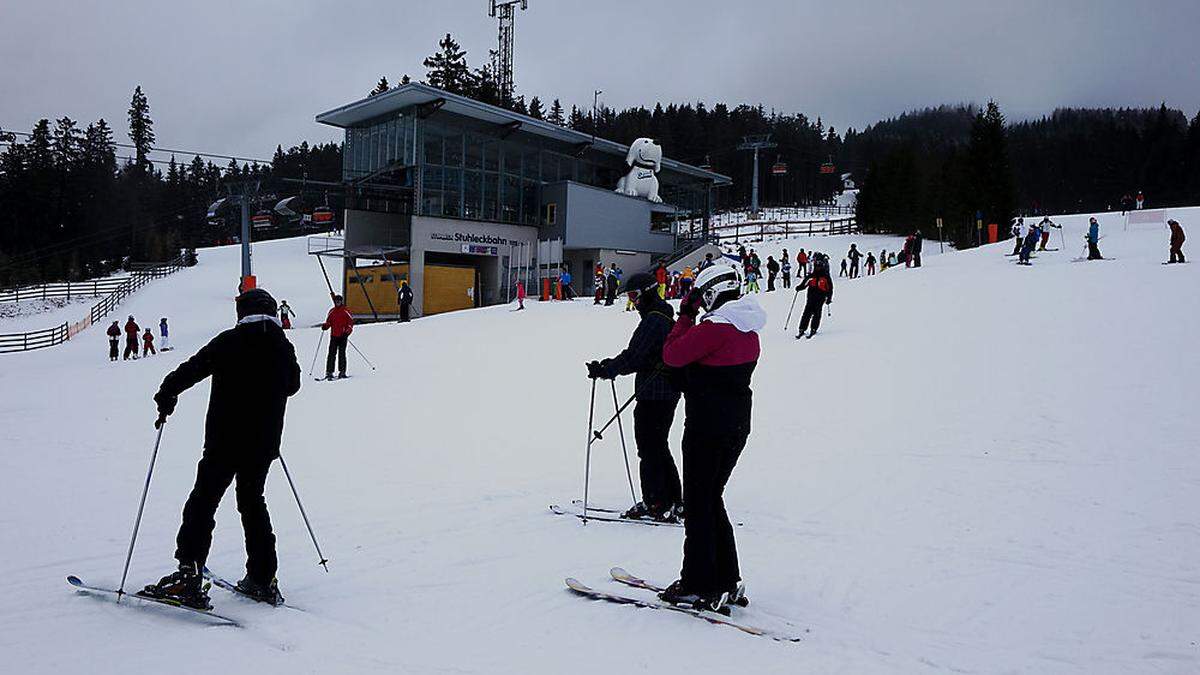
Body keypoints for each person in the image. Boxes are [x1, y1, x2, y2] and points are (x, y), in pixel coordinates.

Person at [140, 288, 300, 609]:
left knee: (203, 502)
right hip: (262, 444)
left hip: (224, 440)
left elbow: (193, 368)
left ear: (243, 313)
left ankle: (189, 574)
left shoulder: (229, 341)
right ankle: (262, 578)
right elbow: (292, 385)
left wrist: (167, 393)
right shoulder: (282, 346)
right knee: (252, 503)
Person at [658, 263, 765, 612]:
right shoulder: (748, 328)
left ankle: (699, 582)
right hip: (735, 425)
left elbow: (671, 354)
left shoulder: (715, 328)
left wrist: (685, 316)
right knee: (710, 498)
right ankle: (727, 578)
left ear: (712, 293)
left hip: (707, 428)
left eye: (702, 299)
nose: (700, 305)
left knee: (700, 505)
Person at [587, 272, 683, 523]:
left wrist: (606, 369)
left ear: (647, 293)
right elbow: (641, 356)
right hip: (664, 391)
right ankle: (675, 501)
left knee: (650, 449)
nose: (634, 301)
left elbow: (635, 356)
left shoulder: (654, 320)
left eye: (634, 296)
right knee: (658, 447)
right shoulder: (662, 316)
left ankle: (657, 503)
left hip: (656, 393)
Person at [795, 254, 833, 339]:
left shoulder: (825, 277)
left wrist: (829, 298)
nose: (818, 267)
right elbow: (804, 284)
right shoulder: (811, 276)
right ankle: (802, 328)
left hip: (820, 298)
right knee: (806, 313)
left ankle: (814, 328)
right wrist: (799, 287)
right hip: (811, 297)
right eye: (816, 266)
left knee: (817, 313)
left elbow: (829, 288)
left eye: (819, 266)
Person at [321, 293, 354, 379]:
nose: (337, 302)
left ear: (341, 301)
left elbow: (350, 324)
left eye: (339, 301)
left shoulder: (346, 311)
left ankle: (342, 372)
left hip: (343, 336)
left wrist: (347, 332)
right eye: (336, 301)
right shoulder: (332, 311)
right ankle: (329, 372)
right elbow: (329, 322)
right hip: (334, 336)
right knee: (331, 354)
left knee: (342, 354)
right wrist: (325, 326)